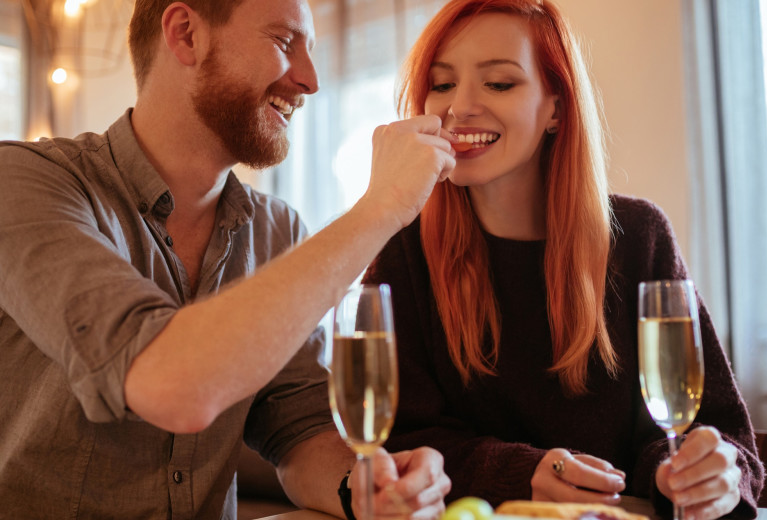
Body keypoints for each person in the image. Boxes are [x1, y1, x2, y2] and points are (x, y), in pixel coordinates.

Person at [0, 0, 455, 517]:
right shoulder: (23, 182)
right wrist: (381, 208)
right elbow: (171, 386)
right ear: (187, 34)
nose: (310, 80)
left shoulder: (277, 231)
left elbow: (299, 429)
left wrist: (364, 488)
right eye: (285, 42)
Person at [362, 0, 764, 519]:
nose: (458, 107)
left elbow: (724, 439)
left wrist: (690, 472)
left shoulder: (639, 238)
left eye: (499, 83)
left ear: (556, 108)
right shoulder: (404, 249)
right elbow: (392, 448)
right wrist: (523, 472)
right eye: (441, 84)